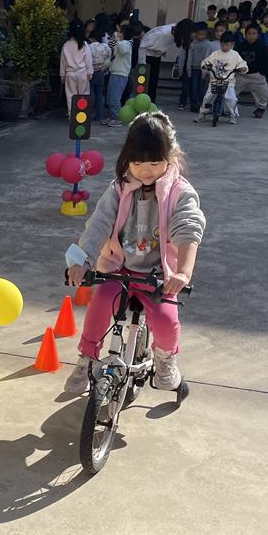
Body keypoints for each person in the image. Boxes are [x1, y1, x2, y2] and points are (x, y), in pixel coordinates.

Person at [63, 112, 205, 395]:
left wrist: (182, 272)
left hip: (160, 275)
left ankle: (165, 360)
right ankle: (87, 358)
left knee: (166, 321)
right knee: (100, 305)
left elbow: (188, 228)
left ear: (171, 156)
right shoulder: (119, 188)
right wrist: (83, 261)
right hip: (119, 268)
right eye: (137, 163)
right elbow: (99, 224)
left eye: (154, 163)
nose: (145, 171)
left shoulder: (180, 192)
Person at [196, 31, 247, 124]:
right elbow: (206, 61)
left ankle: (232, 116)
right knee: (207, 98)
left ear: (232, 44)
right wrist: (205, 66)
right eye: (223, 45)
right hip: (215, 80)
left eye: (227, 45)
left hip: (228, 81)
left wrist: (242, 68)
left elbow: (241, 63)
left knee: (231, 99)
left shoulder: (235, 55)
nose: (225, 47)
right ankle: (202, 114)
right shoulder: (215, 54)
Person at [139, 19, 192, 103]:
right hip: (147, 57)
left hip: (156, 57)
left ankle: (150, 103)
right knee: (144, 83)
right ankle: (141, 102)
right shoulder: (162, 33)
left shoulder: (175, 30)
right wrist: (142, 64)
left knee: (153, 84)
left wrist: (161, 51)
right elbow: (143, 46)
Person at [235, 24, 268, 118]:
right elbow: (235, 58)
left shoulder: (262, 47)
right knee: (232, 91)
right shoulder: (240, 46)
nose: (251, 36)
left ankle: (260, 108)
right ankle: (229, 108)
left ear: (258, 35)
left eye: (254, 33)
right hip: (241, 75)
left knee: (263, 92)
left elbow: (266, 61)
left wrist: (265, 74)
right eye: (249, 33)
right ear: (245, 35)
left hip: (256, 75)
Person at [60, 21, 93, 114]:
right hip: (82, 73)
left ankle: (72, 116)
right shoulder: (84, 44)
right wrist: (89, 73)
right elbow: (88, 60)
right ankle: (82, 117)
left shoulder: (66, 45)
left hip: (69, 73)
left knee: (70, 96)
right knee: (83, 95)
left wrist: (62, 75)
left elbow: (63, 61)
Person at [104, 24, 133, 125]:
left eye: (120, 32)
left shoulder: (126, 43)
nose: (117, 33)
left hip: (120, 74)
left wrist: (116, 39)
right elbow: (115, 57)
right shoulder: (121, 43)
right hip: (115, 73)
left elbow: (123, 51)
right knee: (110, 97)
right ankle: (112, 116)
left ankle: (117, 118)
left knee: (114, 98)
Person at [185, 22, 212, 113]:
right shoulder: (192, 44)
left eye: (203, 34)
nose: (201, 36)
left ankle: (200, 104)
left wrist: (206, 70)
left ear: (206, 34)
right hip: (194, 69)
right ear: (195, 34)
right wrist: (188, 69)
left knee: (202, 88)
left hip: (204, 70)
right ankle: (193, 105)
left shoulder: (208, 44)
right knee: (194, 88)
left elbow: (208, 57)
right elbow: (189, 58)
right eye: (199, 34)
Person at [87, 25, 111, 123]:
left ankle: (88, 114)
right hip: (101, 73)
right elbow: (109, 58)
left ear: (92, 38)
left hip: (91, 73)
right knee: (99, 95)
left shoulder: (88, 47)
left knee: (90, 94)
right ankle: (99, 115)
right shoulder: (106, 47)